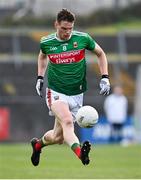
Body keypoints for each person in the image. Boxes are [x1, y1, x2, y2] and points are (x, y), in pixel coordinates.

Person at [31, 8, 110, 166]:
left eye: (70, 28)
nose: (68, 32)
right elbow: (42, 55)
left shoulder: (82, 39)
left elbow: (100, 53)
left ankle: (38, 145)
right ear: (56, 25)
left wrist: (105, 77)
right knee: (67, 121)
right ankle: (81, 154)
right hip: (56, 92)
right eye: (64, 28)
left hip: (77, 93)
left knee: (58, 137)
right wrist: (40, 77)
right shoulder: (46, 42)